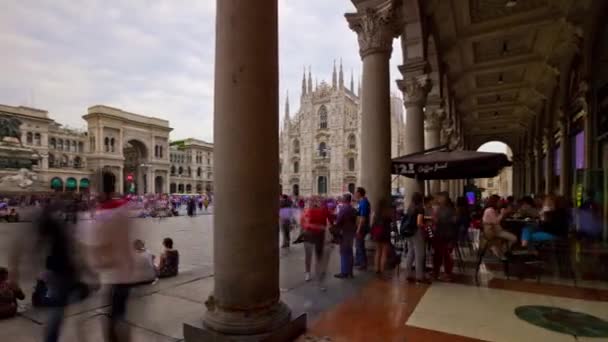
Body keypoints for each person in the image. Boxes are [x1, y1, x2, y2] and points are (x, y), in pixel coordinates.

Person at [300, 198, 331, 289]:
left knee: (319, 257)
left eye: (316, 201)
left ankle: (320, 281)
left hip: (319, 237)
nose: (314, 203)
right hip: (309, 236)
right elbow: (303, 224)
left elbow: (327, 222)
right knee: (308, 256)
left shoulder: (323, 211)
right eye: (312, 201)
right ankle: (307, 273)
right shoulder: (306, 212)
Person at [432, 193, 458, 281]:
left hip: (443, 234)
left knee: (442, 255)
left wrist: (435, 219)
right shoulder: (449, 209)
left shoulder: (444, 210)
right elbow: (454, 220)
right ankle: (442, 273)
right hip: (445, 234)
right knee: (442, 255)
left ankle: (443, 273)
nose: (437, 199)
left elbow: (438, 221)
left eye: (439, 198)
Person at [403, 192, 428, 283]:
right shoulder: (420, 208)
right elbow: (419, 223)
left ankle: (408, 273)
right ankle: (419, 276)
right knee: (419, 254)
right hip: (417, 232)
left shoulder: (410, 207)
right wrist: (425, 225)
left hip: (409, 232)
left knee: (411, 252)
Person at [482, 194, 517, 259]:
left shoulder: (493, 209)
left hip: (497, 230)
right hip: (492, 231)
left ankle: (500, 251)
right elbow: (496, 221)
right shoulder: (490, 210)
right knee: (513, 238)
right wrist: (502, 214)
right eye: (499, 201)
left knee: (513, 238)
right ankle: (499, 251)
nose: (500, 203)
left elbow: (499, 220)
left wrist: (504, 213)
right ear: (495, 202)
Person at [334, 194, 358, 279]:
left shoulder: (343, 209)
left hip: (344, 232)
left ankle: (344, 272)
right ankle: (350, 272)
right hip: (351, 233)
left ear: (344, 199)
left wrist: (335, 225)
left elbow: (339, 220)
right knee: (350, 252)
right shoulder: (353, 209)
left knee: (343, 252)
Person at [370, 199, 393, 276]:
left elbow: (372, 223)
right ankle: (382, 270)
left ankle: (377, 268)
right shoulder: (388, 212)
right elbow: (392, 222)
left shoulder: (375, 213)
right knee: (384, 253)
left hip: (377, 233)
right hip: (386, 233)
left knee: (378, 251)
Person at [354, 187, 370, 270]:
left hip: (362, 226)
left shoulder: (363, 203)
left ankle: (363, 263)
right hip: (361, 225)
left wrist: (358, 229)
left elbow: (363, 217)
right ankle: (358, 261)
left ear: (359, 193)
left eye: (356, 192)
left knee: (359, 244)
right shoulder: (361, 202)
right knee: (358, 244)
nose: (355, 194)